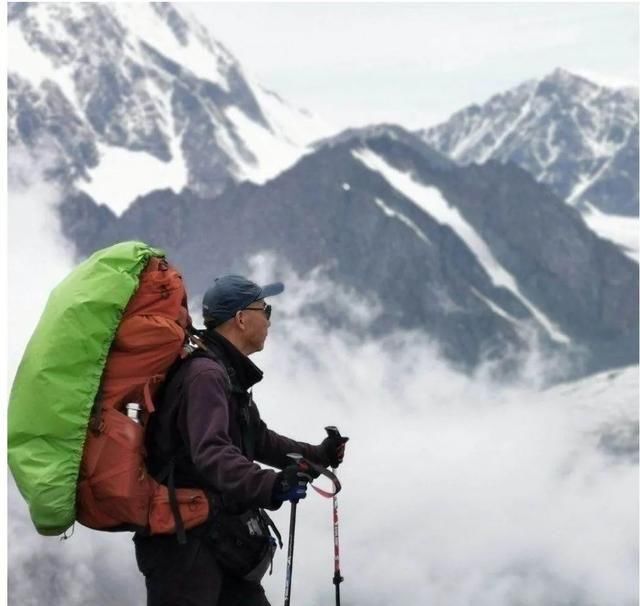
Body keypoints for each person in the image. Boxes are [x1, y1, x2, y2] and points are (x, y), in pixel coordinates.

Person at [134, 274, 348, 606]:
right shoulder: (207, 376)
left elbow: (257, 438)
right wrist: (272, 485)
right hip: (184, 547)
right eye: (265, 309)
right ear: (241, 318)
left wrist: (316, 456)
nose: (269, 320)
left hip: (215, 537)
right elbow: (212, 452)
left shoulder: (223, 372)